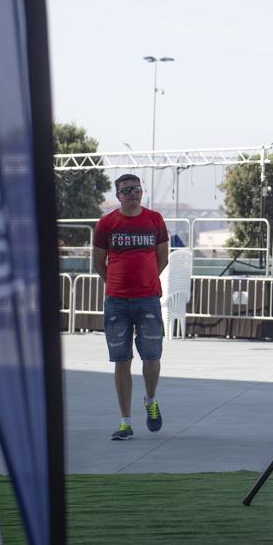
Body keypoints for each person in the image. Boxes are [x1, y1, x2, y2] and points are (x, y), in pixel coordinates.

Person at [92, 173, 169, 441]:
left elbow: (163, 259)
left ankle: (150, 400)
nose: (132, 193)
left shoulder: (155, 220)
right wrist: (116, 283)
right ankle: (125, 422)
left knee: (152, 357)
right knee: (121, 361)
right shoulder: (106, 224)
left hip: (148, 299)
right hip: (116, 302)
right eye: (126, 190)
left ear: (141, 192)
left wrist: (146, 281)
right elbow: (98, 263)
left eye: (136, 189)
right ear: (118, 196)